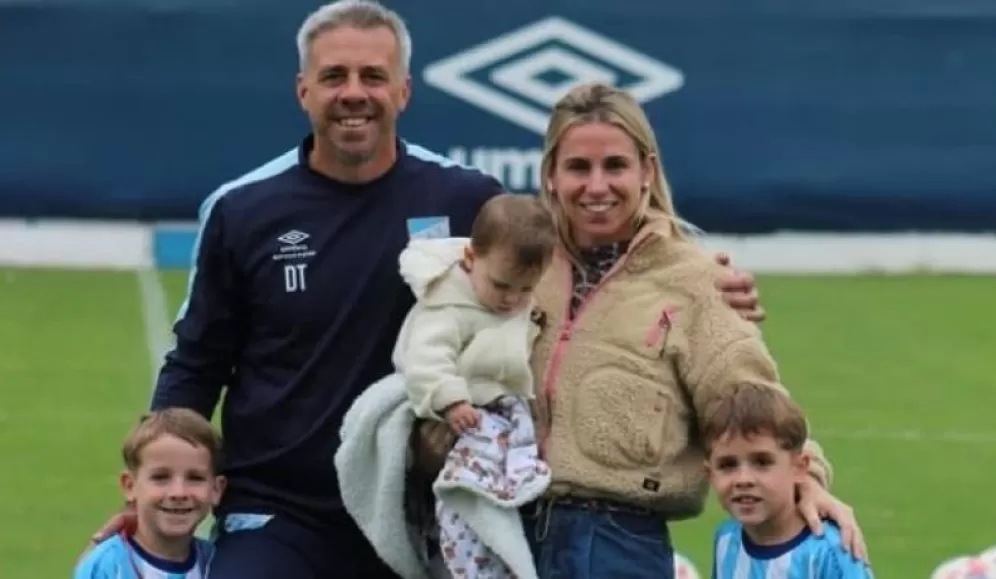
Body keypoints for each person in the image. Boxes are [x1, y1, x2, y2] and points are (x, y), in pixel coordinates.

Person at [88, 1, 768, 576]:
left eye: (372, 76)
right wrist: (158, 476)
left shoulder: (467, 199)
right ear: (304, 90)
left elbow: (594, 240)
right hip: (276, 511)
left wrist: (706, 280)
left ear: (403, 90)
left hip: (416, 513)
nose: (354, 91)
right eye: (334, 76)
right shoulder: (242, 210)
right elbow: (196, 361)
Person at [517, 82, 868, 579]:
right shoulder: (516, 264)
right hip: (500, 534)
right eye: (578, 167)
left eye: (615, 165)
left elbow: (753, 402)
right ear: (550, 175)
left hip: (617, 547)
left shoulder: (696, 283)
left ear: (647, 171)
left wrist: (806, 478)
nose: (597, 186)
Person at [398, 192, 556, 577]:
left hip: (500, 412)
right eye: (502, 286)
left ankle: (515, 487)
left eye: (524, 289)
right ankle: (469, 563)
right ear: (470, 258)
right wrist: (451, 402)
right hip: (460, 415)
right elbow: (424, 361)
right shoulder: (447, 304)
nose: (512, 299)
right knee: (463, 494)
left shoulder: (517, 301)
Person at [706, 385, 874, 578]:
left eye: (762, 462)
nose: (743, 480)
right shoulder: (726, 539)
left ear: (800, 467)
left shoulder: (831, 552)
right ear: (710, 474)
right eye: (727, 465)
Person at [74, 408, 224, 579]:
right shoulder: (106, 565)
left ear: (216, 489)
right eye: (161, 477)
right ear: (130, 486)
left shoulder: (218, 562)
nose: (178, 493)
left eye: (195, 478)